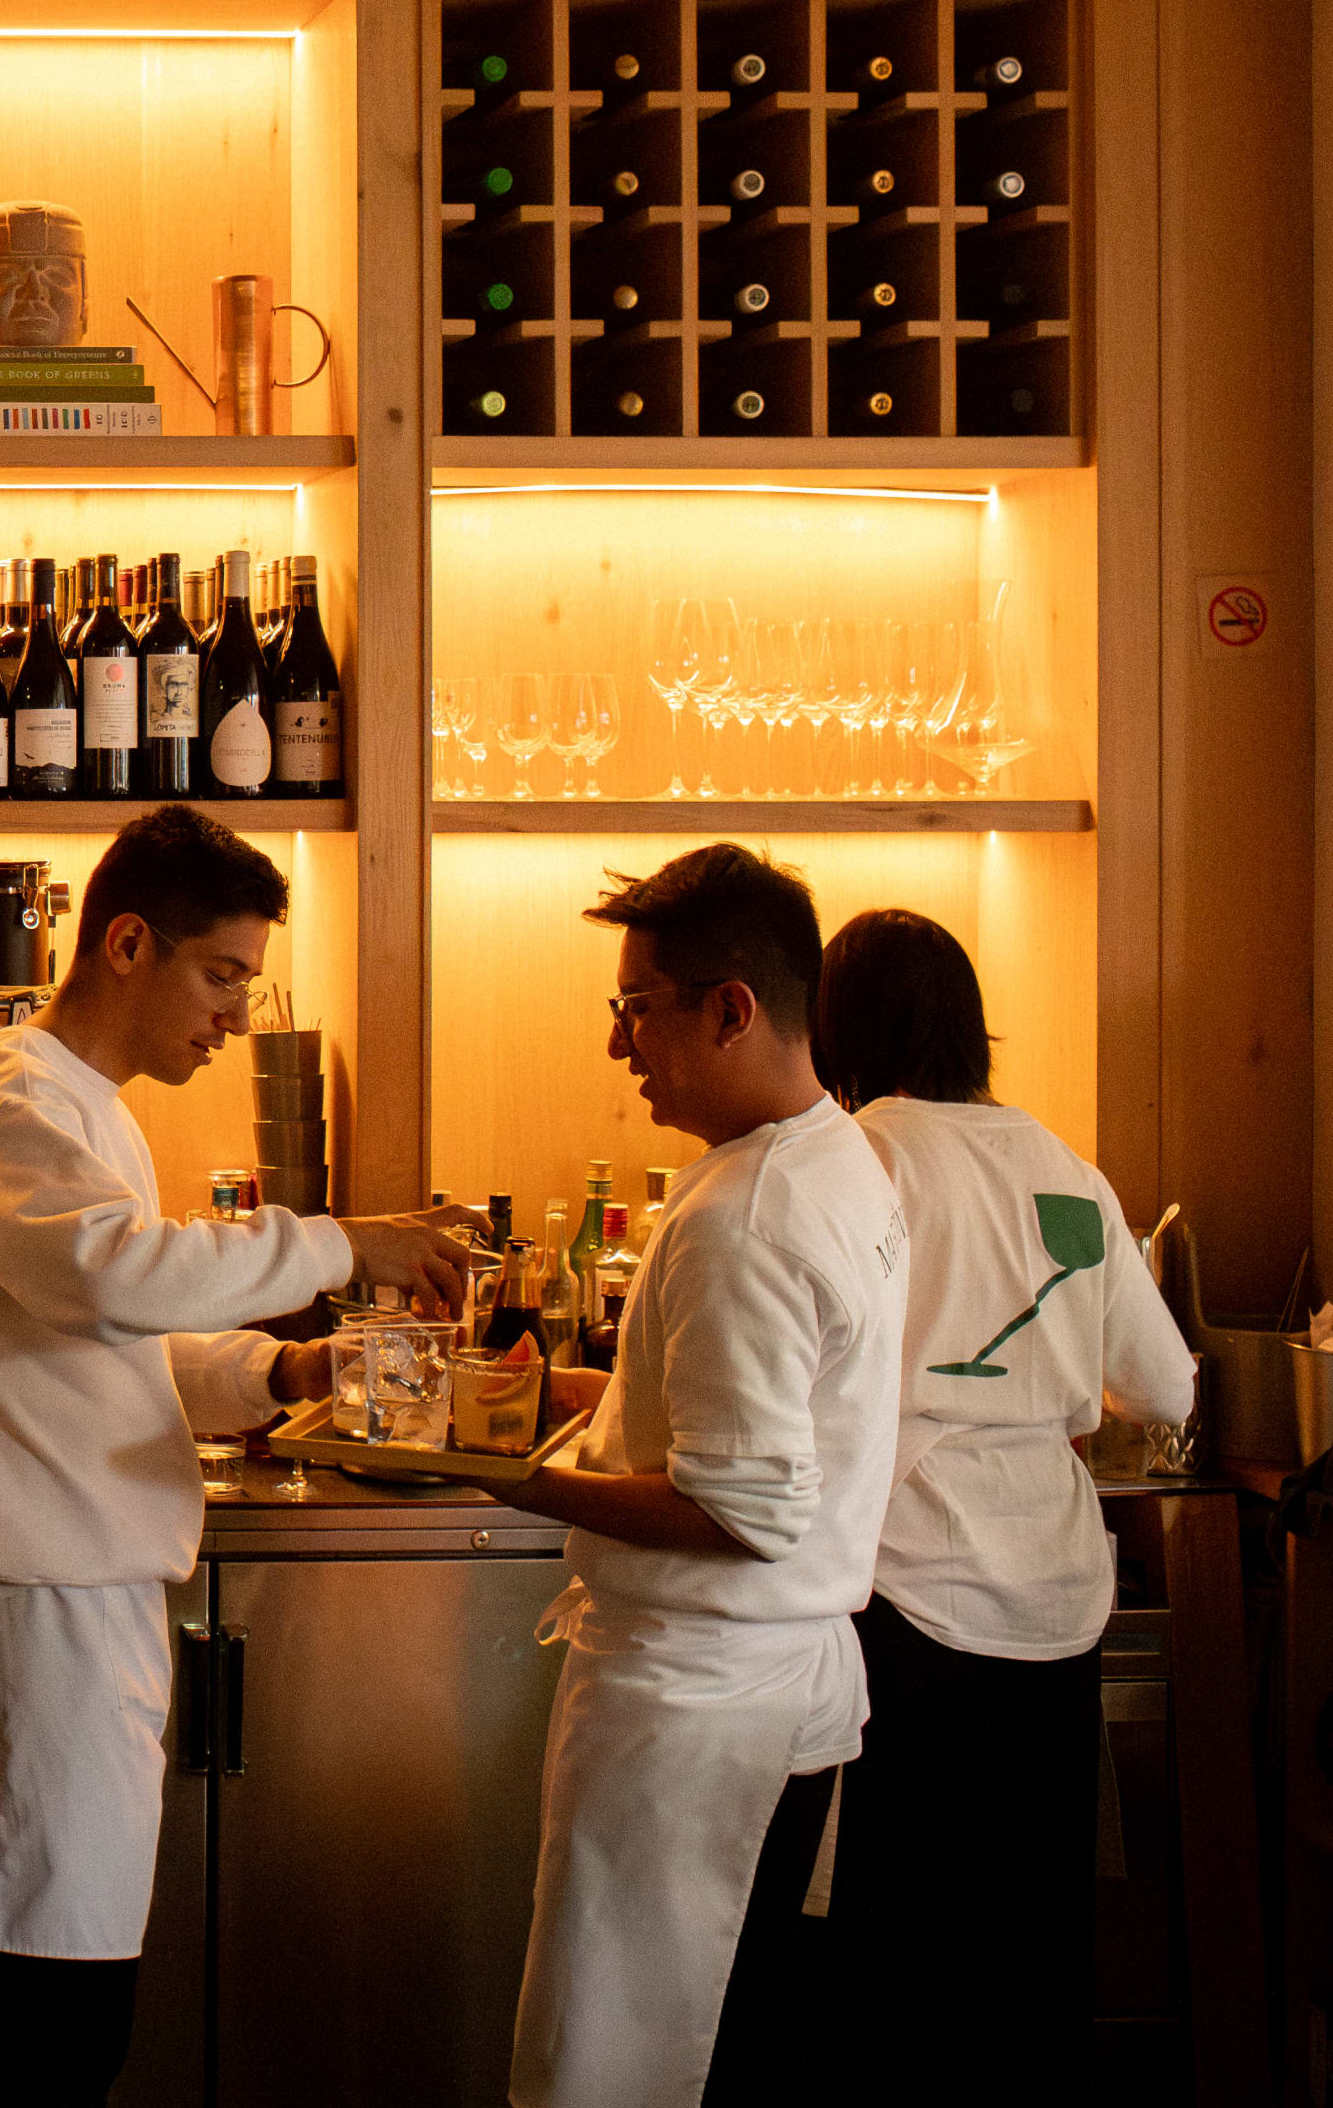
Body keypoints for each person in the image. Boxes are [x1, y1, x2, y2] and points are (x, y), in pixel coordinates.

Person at [0, 803, 482, 2108]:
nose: (235, 1014)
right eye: (221, 977)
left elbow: (104, 1345)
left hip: (81, 1622)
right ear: (127, 942)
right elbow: (103, 1272)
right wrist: (339, 1243)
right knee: (23, 2036)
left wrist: (283, 1370)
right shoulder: (12, 1099)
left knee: (70, 2020)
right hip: (24, 1627)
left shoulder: (93, 1113)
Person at [509, 845, 908, 2108]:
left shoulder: (746, 1216)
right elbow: (724, 1419)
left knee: (625, 2066)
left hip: (697, 1709)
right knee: (744, 2044)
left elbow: (739, 1508)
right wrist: (546, 1402)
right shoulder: (831, 1159)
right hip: (778, 1694)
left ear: (731, 1007)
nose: (621, 1048)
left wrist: (504, 1477)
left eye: (636, 1011)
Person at [816, 907, 1192, 2106]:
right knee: (1031, 1958)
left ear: (839, 1028)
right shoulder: (1064, 1166)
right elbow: (1168, 1385)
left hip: (907, 1587)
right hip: (1058, 1602)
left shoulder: (860, 1154)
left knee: (895, 1954)